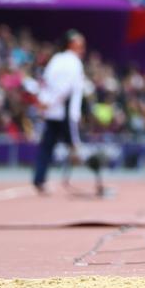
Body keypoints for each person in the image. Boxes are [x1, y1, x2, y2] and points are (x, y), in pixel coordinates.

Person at [32, 30, 88, 194]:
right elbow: (65, 89)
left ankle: (40, 179)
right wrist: (47, 102)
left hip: (53, 111)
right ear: (71, 44)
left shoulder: (57, 59)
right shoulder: (72, 62)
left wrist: (44, 101)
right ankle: (94, 178)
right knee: (74, 147)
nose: (83, 48)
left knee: (48, 146)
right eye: (80, 44)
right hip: (64, 113)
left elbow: (46, 83)